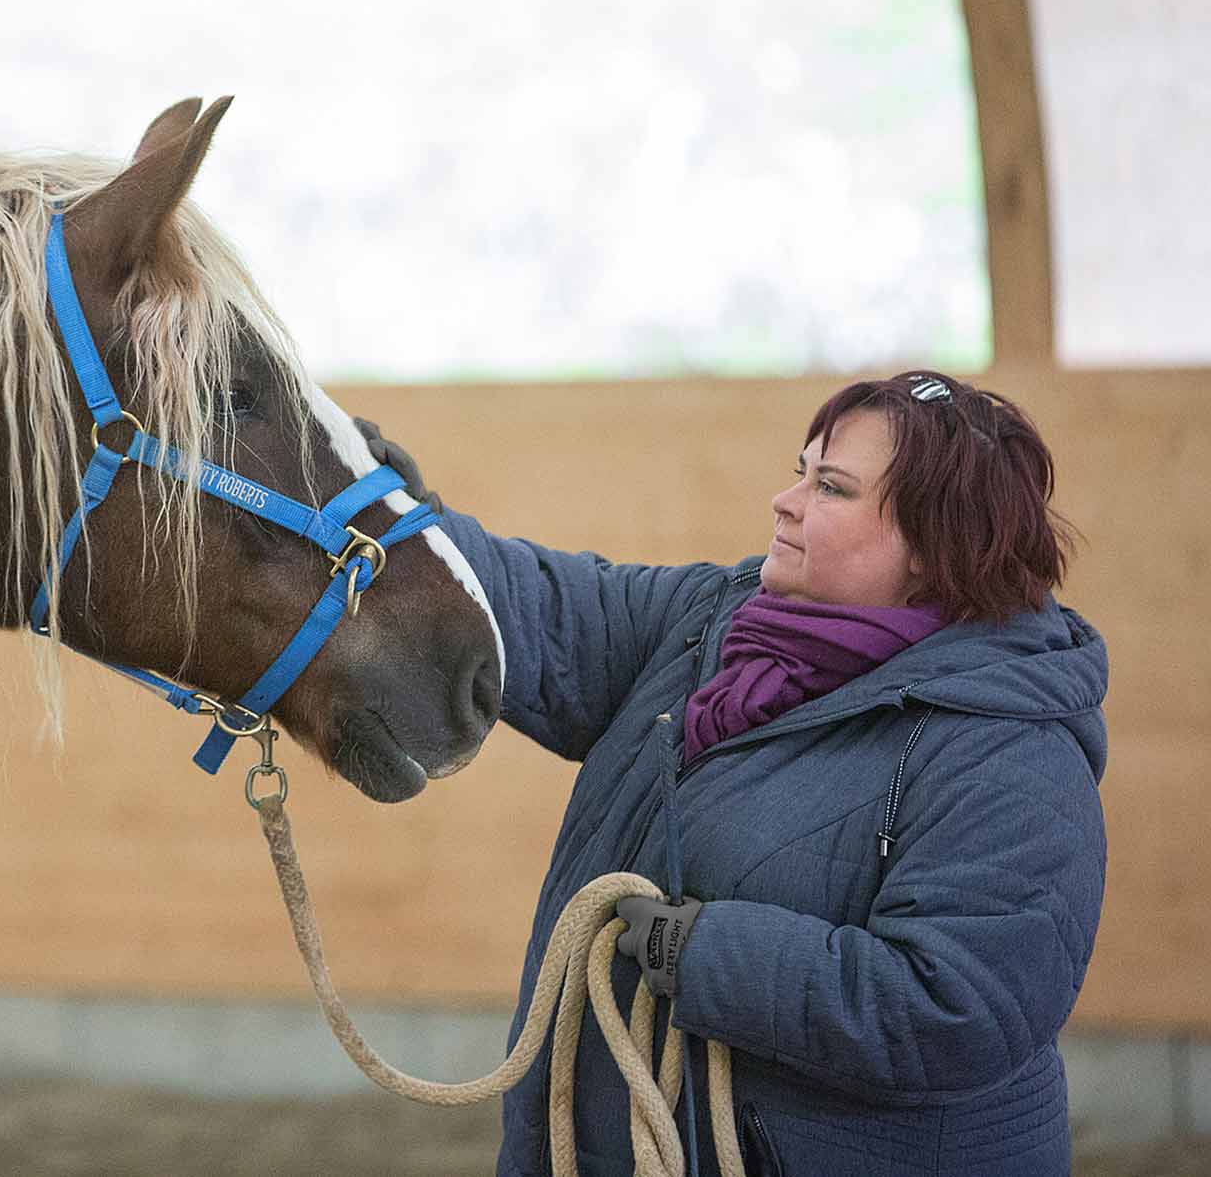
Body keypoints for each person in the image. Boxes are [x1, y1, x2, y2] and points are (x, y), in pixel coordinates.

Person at [359, 370, 1106, 1177]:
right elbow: (544, 609)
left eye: (832, 487)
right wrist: (393, 525)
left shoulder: (1010, 751)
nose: (786, 500)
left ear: (932, 546)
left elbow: (954, 1008)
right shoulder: (713, 619)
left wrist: (704, 952)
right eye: (801, 470)